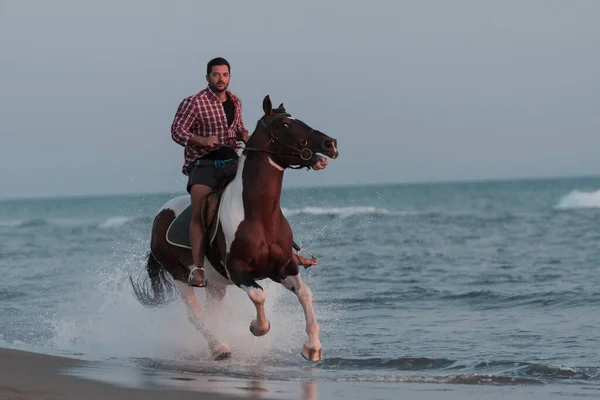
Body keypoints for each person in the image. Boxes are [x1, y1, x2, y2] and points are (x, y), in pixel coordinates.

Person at [171, 57, 316, 288]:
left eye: (225, 75)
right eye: (216, 75)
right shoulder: (194, 102)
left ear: (229, 76)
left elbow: (237, 127)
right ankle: (198, 268)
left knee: (261, 198)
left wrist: (246, 136)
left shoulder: (235, 101)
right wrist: (202, 140)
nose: (221, 79)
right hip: (203, 164)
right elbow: (177, 131)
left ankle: (288, 251)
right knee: (200, 208)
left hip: (231, 161)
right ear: (207, 76)